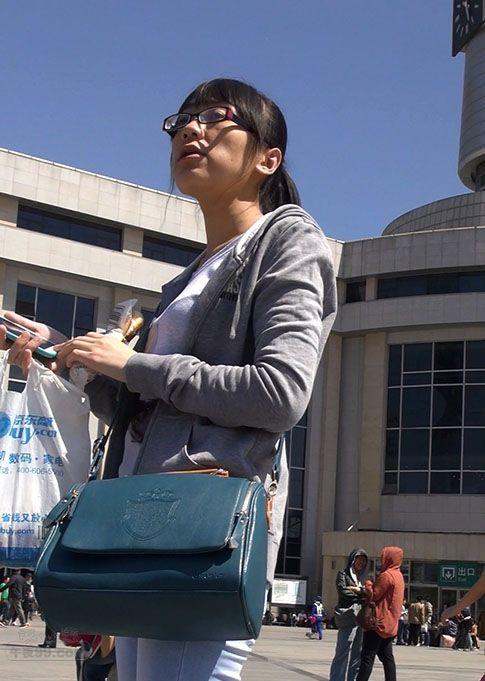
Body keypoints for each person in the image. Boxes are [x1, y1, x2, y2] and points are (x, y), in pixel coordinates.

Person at [0, 78, 337, 681]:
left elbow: (280, 392)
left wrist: (130, 363)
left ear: (268, 158)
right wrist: (65, 355)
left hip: (200, 532)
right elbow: (145, 411)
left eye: (217, 116)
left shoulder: (288, 240)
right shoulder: (187, 278)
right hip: (142, 524)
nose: (190, 129)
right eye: (181, 120)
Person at [356, 547, 405, 681]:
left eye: (383, 557)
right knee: (387, 657)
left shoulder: (387, 575)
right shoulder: (399, 576)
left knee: (367, 657)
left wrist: (368, 583)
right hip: (390, 624)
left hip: (377, 623)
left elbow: (374, 594)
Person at [329, 548, 368, 681]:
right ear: (352, 559)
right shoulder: (343, 574)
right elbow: (343, 592)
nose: (361, 563)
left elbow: (369, 593)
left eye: (363, 560)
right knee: (342, 651)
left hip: (361, 617)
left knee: (358, 652)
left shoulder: (364, 577)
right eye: (359, 559)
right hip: (348, 615)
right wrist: (361, 593)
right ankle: (337, 678)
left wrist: (358, 590)